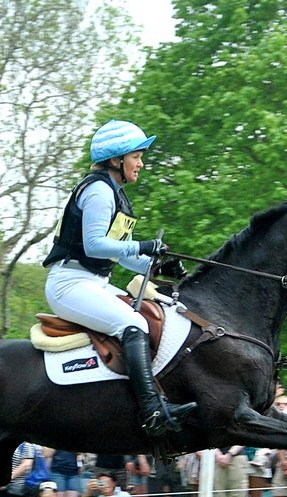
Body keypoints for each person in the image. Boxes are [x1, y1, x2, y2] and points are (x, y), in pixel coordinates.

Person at [42, 119, 195, 438]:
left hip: (91, 281)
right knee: (134, 325)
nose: (141, 163)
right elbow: (95, 244)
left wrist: (155, 267)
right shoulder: (99, 190)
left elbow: (120, 255)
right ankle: (152, 411)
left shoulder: (115, 193)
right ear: (116, 160)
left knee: (158, 312)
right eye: (136, 156)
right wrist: (144, 245)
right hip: (70, 284)